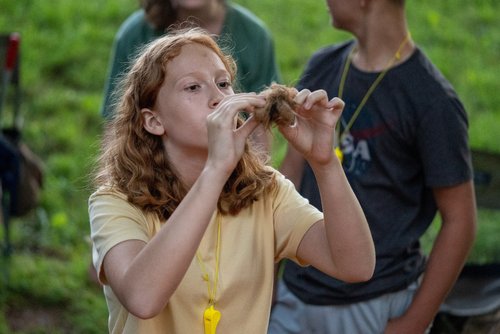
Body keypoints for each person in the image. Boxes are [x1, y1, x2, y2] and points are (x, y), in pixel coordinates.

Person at [88, 28, 375, 333]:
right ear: (154, 121)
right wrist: (216, 170)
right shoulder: (114, 202)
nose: (218, 98)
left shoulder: (267, 192)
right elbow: (143, 298)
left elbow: (355, 266)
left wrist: (325, 163)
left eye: (223, 83)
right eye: (193, 87)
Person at [269, 0, 477, 333]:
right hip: (296, 294)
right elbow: (289, 176)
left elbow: (461, 220)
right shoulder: (324, 65)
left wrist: (415, 320)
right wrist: (269, 279)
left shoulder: (432, 101)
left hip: (373, 302)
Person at [100, 0, 281, 120]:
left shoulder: (254, 35)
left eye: (224, 83)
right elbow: (118, 125)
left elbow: (260, 120)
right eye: (193, 87)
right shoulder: (135, 34)